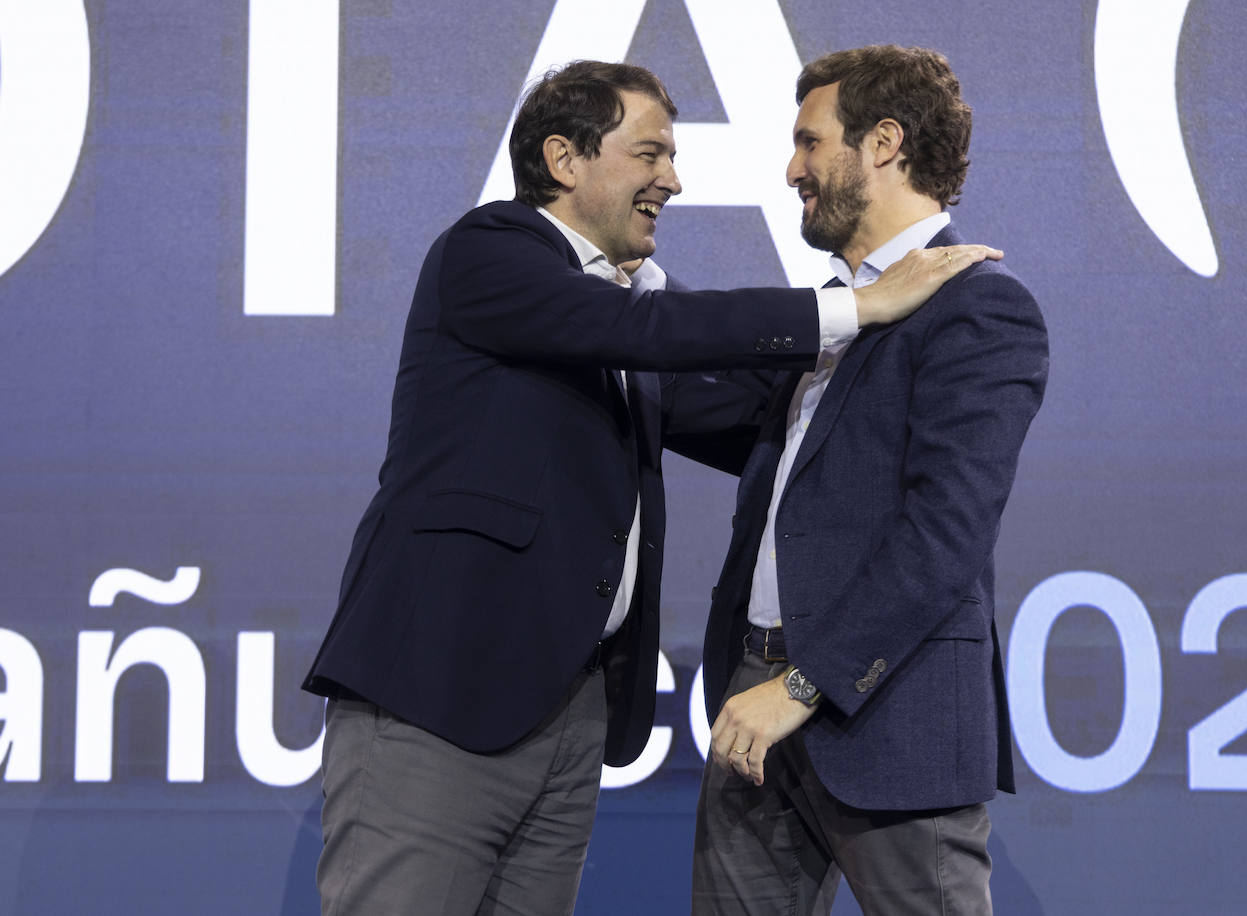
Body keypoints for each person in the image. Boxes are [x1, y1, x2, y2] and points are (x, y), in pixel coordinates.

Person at [301, 59, 996, 915]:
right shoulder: (491, 253)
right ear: (563, 159)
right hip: (441, 696)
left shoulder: (614, 310)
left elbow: (793, 445)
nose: (673, 179)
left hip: (563, 721)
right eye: (651, 153)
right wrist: (859, 308)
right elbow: (653, 331)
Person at [692, 45, 1050, 915]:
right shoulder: (832, 310)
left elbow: (945, 533)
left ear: (883, 143)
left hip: (888, 718)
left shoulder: (981, 307)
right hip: (754, 707)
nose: (792, 169)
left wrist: (804, 684)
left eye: (810, 143)